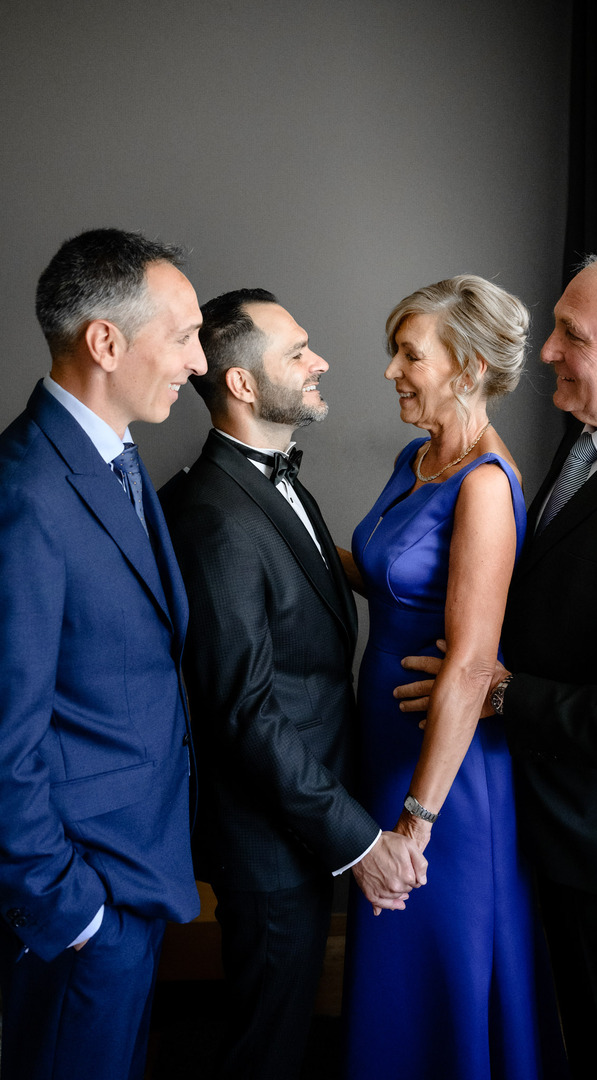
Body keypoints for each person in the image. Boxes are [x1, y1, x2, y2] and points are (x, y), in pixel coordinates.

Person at [397, 244, 597, 1079]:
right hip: (566, 833)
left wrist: (499, 692)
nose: (543, 352)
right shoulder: (593, 444)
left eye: (570, 335)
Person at [159, 289, 426, 1080]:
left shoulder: (273, 482)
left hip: (301, 821)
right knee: (265, 1048)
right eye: (298, 352)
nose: (321, 363)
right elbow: (243, 710)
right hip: (269, 841)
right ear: (242, 385)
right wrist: (358, 841)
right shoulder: (213, 514)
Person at [341, 275, 567, 1080]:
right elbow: (388, 574)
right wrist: (281, 523)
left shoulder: (483, 487)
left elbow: (471, 663)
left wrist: (418, 821)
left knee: (434, 948)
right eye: (394, 353)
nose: (395, 371)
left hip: (445, 772)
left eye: (411, 354)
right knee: (393, 954)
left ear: (468, 366)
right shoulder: (419, 458)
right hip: (384, 742)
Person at [0, 227, 206, 1080]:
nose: (197, 362)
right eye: (185, 335)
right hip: (84, 909)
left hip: (136, 877)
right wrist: (75, 912)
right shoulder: (23, 492)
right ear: (106, 341)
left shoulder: (116, 460)